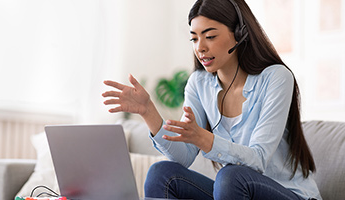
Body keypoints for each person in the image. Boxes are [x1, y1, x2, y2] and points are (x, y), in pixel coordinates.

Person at [102, 0, 322, 199]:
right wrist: (148, 111)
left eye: (210, 36)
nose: (200, 48)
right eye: (194, 38)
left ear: (239, 33)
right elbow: (184, 158)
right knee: (162, 173)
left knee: (230, 176)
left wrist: (205, 139)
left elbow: (258, 159)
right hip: (234, 191)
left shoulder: (275, 77)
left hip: (288, 194)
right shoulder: (199, 83)